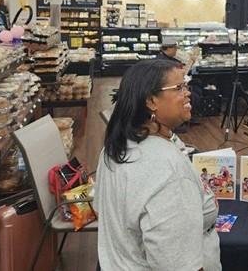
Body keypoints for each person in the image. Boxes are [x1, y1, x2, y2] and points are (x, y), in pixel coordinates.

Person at [95, 60, 221, 271]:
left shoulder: (115, 148)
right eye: (179, 88)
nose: (188, 93)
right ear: (151, 100)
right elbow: (177, 263)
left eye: (186, 85)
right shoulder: (167, 171)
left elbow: (102, 209)